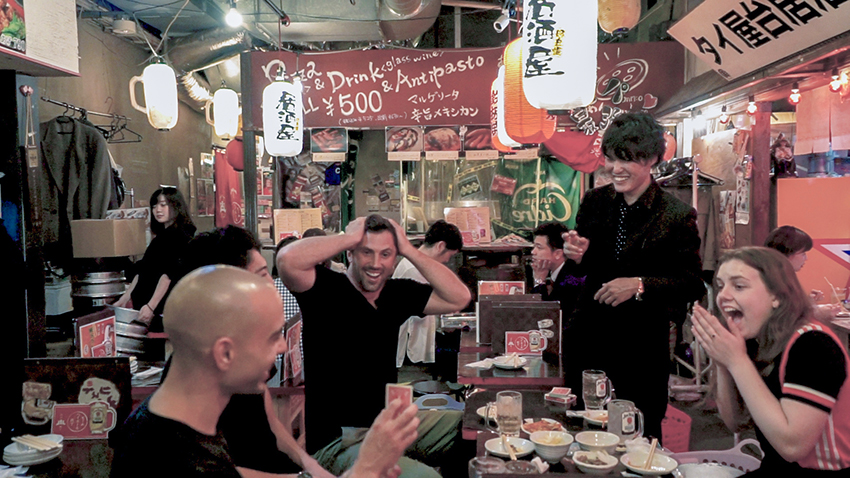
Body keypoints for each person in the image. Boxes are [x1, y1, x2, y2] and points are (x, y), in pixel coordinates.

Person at [111, 265, 420, 478]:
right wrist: (365, 468)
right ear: (225, 353)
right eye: (272, 336)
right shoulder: (173, 458)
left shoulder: (172, 423)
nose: (283, 348)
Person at [277, 214, 472, 477]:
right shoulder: (324, 289)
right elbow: (287, 259)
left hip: (387, 424)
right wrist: (349, 237)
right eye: (366, 252)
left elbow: (459, 298)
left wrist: (408, 249)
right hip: (338, 440)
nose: (376, 264)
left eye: (386, 254)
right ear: (351, 254)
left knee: (473, 426)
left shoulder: (396, 293)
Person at [562, 112, 705, 440]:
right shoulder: (595, 202)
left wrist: (640, 285)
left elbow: (691, 282)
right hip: (589, 339)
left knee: (638, 435)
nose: (616, 169)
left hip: (641, 348)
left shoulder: (676, 215)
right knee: (581, 432)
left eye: (627, 160)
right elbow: (578, 277)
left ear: (653, 158)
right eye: (611, 159)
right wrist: (578, 257)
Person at [691, 247, 850, 476]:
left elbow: (792, 446)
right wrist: (721, 360)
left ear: (776, 296)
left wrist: (736, 360)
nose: (722, 295)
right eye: (720, 285)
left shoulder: (813, 344)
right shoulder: (757, 341)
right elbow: (734, 422)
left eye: (738, 285)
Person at [113, 187, 196, 329]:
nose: (158, 209)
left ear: (176, 206)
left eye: (163, 205)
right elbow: (144, 269)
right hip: (149, 308)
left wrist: (151, 306)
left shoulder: (180, 236)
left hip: (164, 309)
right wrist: (126, 297)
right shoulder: (162, 237)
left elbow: (168, 276)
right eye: (154, 206)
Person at [392, 219, 463, 368]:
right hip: (410, 348)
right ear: (440, 246)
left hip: (417, 340)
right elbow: (419, 309)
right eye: (449, 255)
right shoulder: (414, 269)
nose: (447, 260)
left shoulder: (420, 265)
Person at [764, 225, 841, 320]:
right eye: (803, 254)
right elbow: (779, 320)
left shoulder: (783, 276)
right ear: (788, 253)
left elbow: (789, 310)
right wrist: (816, 314)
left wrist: (808, 302)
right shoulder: (770, 280)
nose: (806, 259)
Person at [530, 222, 584, 319]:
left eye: (539, 247)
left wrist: (539, 281)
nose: (533, 252)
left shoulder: (571, 279)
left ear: (558, 253)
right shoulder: (553, 273)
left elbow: (545, 317)